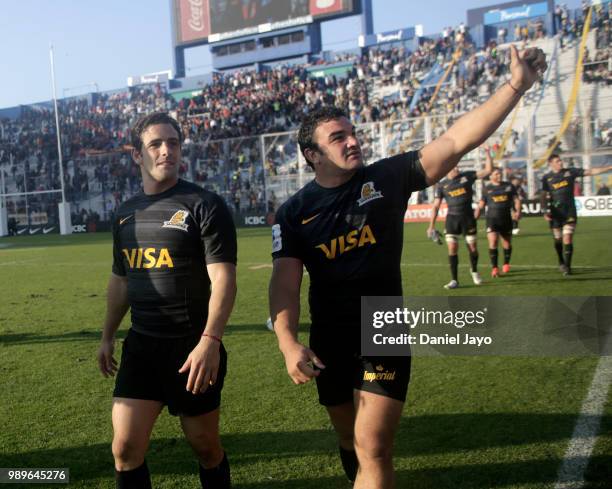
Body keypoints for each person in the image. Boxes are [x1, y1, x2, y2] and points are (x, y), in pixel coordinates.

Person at [269, 45, 546, 489]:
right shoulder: (294, 212)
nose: (353, 140)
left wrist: (516, 85)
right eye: (338, 138)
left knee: (372, 445)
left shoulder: (387, 178)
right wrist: (287, 343)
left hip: (383, 328)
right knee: (350, 441)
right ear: (312, 156)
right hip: (329, 338)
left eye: (352, 132)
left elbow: (458, 140)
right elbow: (284, 285)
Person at [97, 112, 237, 489]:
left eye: (173, 143)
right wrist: (108, 335)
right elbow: (121, 280)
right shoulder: (125, 214)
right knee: (125, 449)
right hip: (142, 347)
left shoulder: (205, 204)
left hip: (191, 348)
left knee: (206, 447)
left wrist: (210, 342)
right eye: (156, 144)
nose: (166, 151)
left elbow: (223, 280)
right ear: (136, 155)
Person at [427, 146, 493, 289]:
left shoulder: (467, 176)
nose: (456, 167)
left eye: (456, 165)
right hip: (452, 219)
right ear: (447, 169)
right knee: (452, 248)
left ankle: (474, 271)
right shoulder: (442, 185)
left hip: (468, 218)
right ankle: (454, 280)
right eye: (453, 166)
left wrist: (488, 154)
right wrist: (431, 226)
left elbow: (487, 171)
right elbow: (436, 206)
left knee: (473, 248)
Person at [541, 154, 612, 275]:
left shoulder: (570, 172)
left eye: (560, 161)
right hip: (555, 213)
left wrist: (608, 168)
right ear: (550, 163)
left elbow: (590, 171)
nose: (560, 163)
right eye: (557, 161)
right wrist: (544, 210)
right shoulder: (546, 178)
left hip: (569, 210)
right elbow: (543, 195)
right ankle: (561, 261)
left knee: (567, 237)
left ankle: (567, 267)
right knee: (557, 239)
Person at [475, 167, 521, 277]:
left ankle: (506, 263)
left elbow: (516, 200)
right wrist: (475, 216)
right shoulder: (487, 188)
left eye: (499, 174)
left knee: (506, 243)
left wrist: (518, 211)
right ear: (490, 176)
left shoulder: (509, 186)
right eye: (496, 174)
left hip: (506, 218)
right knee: (493, 242)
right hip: (492, 219)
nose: (499, 176)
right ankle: (494, 268)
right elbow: (481, 204)